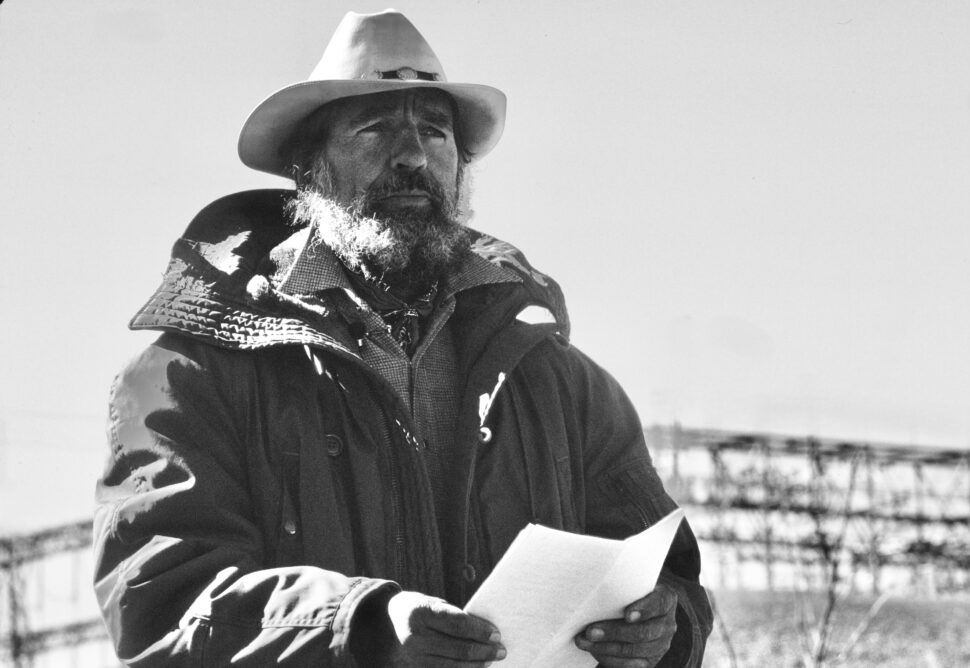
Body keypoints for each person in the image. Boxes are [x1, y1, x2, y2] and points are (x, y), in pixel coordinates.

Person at [94, 9, 713, 667]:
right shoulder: (188, 374)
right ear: (309, 169)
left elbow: (666, 575)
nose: (413, 156)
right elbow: (162, 601)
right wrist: (362, 630)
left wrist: (664, 627)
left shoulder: (560, 380)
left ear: (460, 169)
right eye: (375, 128)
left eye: (434, 131)